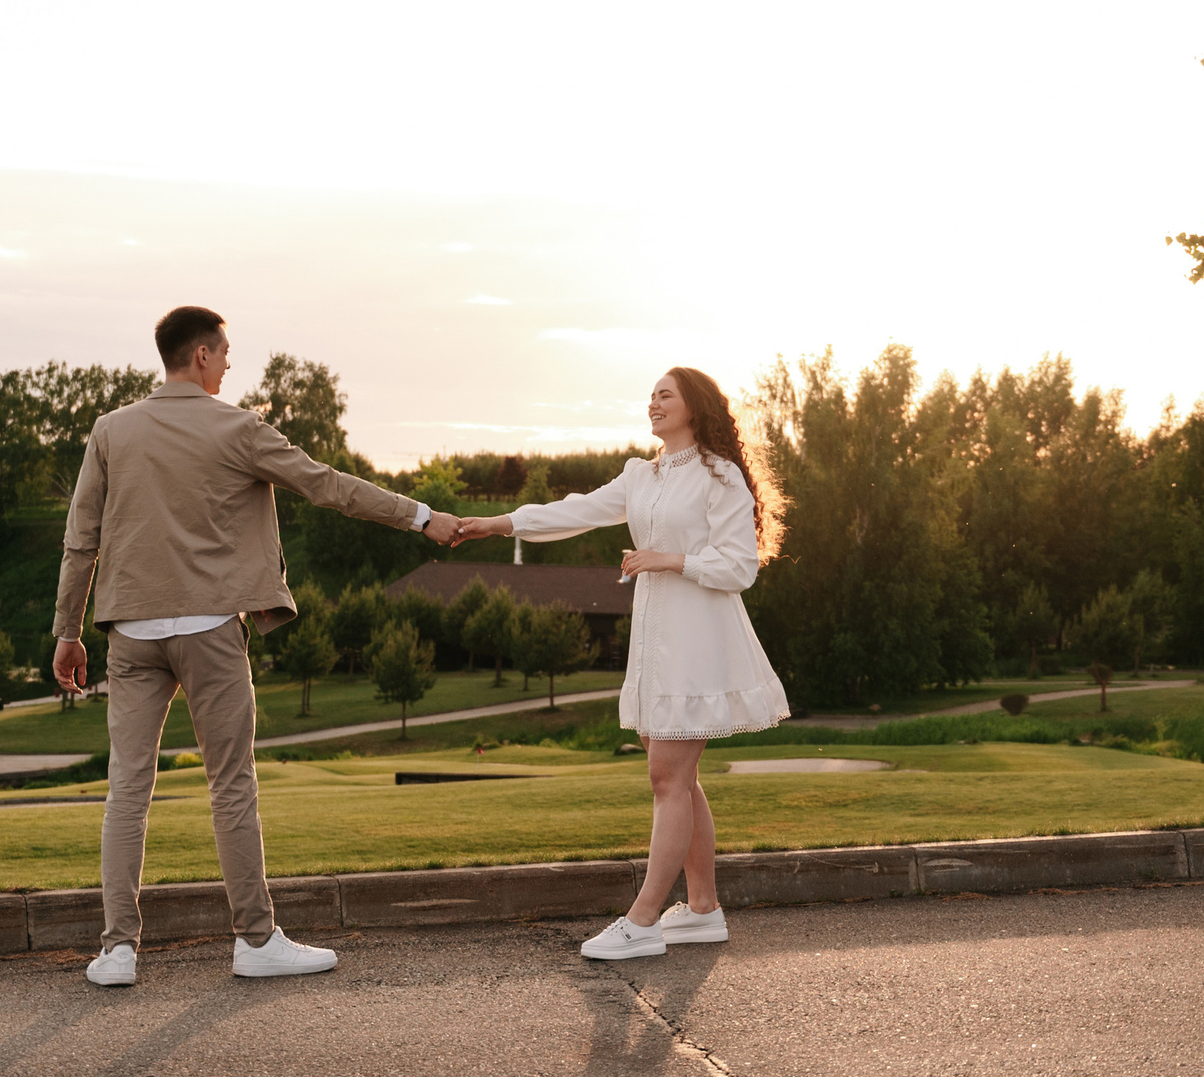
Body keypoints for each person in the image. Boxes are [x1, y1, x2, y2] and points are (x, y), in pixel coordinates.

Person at [52, 305, 465, 987]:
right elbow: (328, 487)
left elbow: (80, 539)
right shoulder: (236, 426)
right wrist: (422, 517)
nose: (229, 365)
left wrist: (68, 631)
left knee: (127, 788)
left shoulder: (111, 430)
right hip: (210, 630)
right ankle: (255, 940)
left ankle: (118, 951)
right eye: (225, 353)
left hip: (130, 632)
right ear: (203, 356)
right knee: (231, 787)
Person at [459, 366, 787, 960]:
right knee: (679, 778)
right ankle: (704, 910)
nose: (653, 403)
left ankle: (642, 921)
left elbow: (741, 566)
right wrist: (501, 524)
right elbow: (575, 510)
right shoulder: (643, 475)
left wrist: (669, 559)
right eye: (651, 396)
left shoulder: (721, 475)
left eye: (666, 394)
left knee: (666, 777)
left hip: (702, 643)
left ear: (695, 405)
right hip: (656, 642)